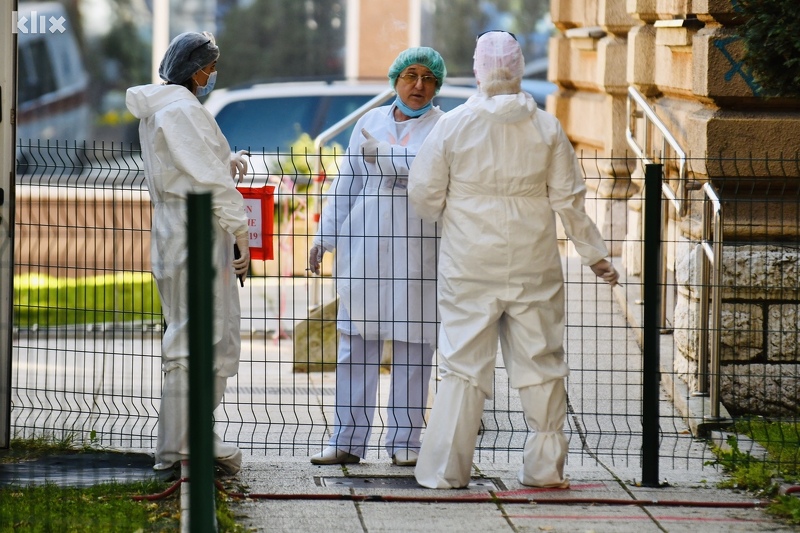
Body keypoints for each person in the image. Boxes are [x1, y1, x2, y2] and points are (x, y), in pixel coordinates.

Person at [408, 31, 619, 489]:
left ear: (478, 69)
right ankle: (545, 469)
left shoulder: (454, 125)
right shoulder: (546, 128)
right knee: (541, 360)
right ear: (521, 68)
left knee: (462, 361)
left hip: (468, 260)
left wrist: (447, 214)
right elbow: (570, 200)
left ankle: (446, 470)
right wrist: (595, 256)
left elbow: (423, 192)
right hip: (532, 259)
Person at [307, 47, 447, 467]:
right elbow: (346, 184)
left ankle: (406, 442)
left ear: (437, 84)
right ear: (395, 79)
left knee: (413, 349)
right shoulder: (369, 123)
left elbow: (433, 172)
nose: (418, 85)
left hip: (417, 251)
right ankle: (347, 439)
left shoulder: (444, 128)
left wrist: (387, 157)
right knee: (356, 346)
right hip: (364, 250)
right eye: (410, 75)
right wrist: (325, 237)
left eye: (427, 77)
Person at [126, 31, 251, 475]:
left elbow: (192, 163)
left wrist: (225, 159)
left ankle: (188, 439)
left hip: (178, 231)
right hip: (196, 232)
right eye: (210, 67)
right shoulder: (180, 110)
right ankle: (185, 443)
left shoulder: (164, 108)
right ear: (195, 69)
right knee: (201, 335)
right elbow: (207, 181)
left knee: (199, 334)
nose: (213, 75)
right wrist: (241, 229)